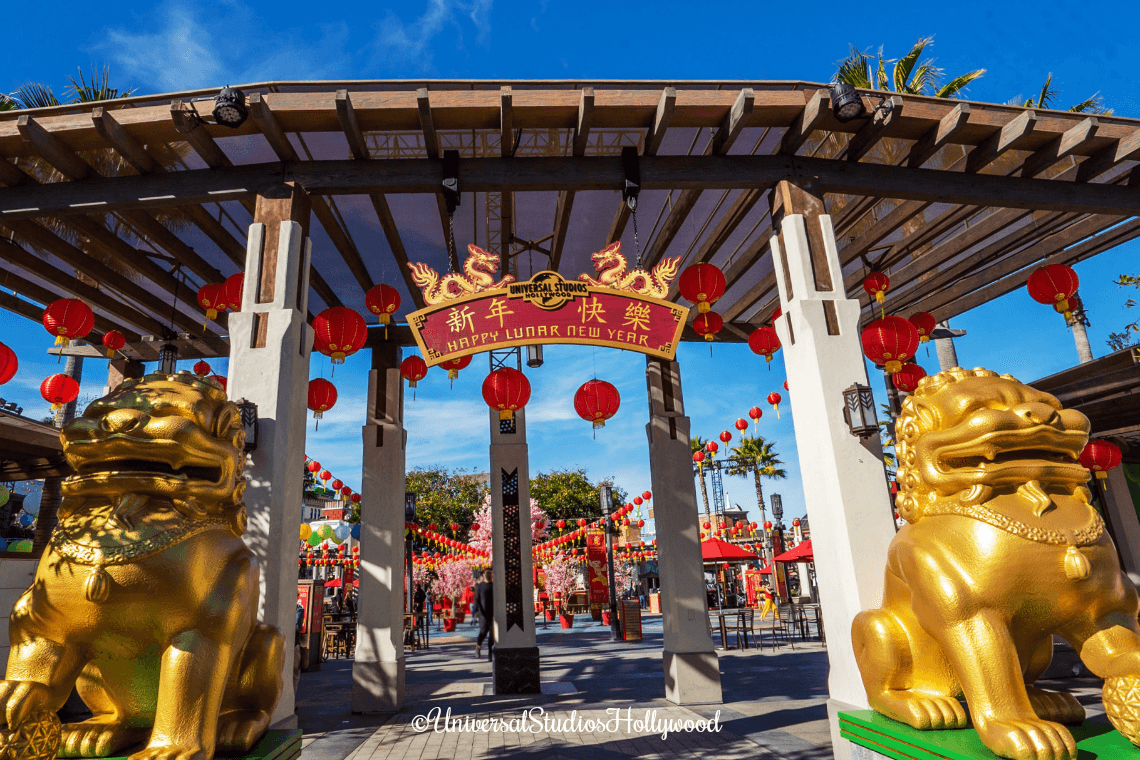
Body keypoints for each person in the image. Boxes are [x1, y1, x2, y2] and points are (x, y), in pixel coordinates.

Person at [473, 569, 494, 660]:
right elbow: (477, 599)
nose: (489, 574)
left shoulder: (494, 586)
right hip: (483, 614)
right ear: (484, 575)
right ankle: (478, 647)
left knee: (492, 635)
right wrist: (476, 611)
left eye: (490, 573)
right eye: (487, 573)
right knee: (483, 632)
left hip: (493, 614)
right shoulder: (480, 586)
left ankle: (490, 652)